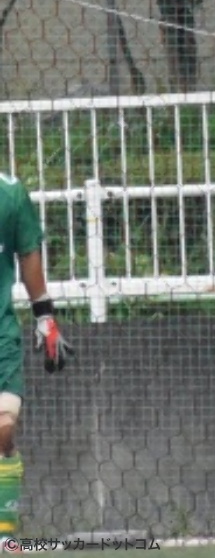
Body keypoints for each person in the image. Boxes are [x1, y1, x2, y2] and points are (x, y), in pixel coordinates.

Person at [0, 173, 73, 538]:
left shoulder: (11, 194)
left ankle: (3, 536)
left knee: (3, 426)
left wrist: (44, 316)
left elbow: (28, 253)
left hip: (0, 334)